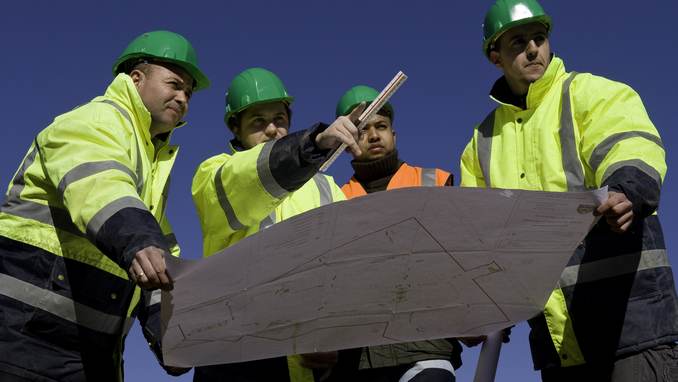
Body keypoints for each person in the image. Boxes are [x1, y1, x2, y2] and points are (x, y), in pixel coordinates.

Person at [460, 0, 678, 380]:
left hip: (632, 326)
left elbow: (632, 144)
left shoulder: (588, 93)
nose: (533, 49)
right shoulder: (481, 142)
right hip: (557, 347)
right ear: (495, 56)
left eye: (539, 38)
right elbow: (477, 235)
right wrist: (480, 308)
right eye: (518, 42)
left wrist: (628, 189)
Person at [0, 30, 209, 381]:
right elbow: (99, 184)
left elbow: (162, 258)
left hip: (91, 355)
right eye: (174, 84)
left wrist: (169, 336)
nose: (183, 96)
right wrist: (140, 241)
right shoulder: (96, 120)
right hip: (23, 338)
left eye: (188, 91)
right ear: (135, 78)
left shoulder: (152, 165)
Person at [191, 67, 363, 382]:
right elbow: (247, 178)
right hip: (236, 357)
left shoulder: (326, 187)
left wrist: (333, 340)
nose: (272, 129)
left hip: (308, 363)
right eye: (258, 121)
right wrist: (313, 143)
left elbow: (342, 272)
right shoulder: (214, 173)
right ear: (235, 127)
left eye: (279, 119)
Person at [334, 85, 461, 382]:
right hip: (355, 356)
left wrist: (473, 319)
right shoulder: (333, 200)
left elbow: (463, 262)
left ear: (395, 134)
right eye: (363, 129)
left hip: (425, 349)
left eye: (382, 126)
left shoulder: (435, 182)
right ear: (345, 140)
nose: (374, 135)